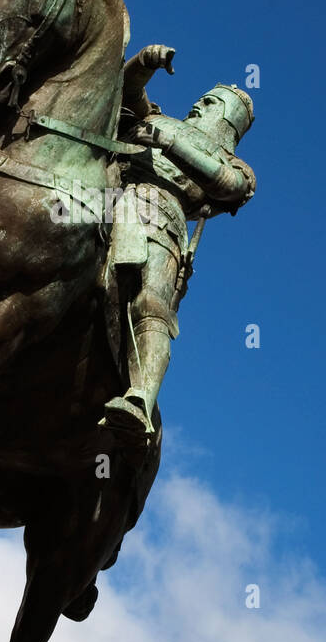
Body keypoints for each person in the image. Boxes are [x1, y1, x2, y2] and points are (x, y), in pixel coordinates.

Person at [101, 46, 256, 445]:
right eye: (204, 97)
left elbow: (227, 185)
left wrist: (169, 143)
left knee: (151, 303)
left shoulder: (234, 163)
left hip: (158, 215)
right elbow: (128, 92)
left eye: (213, 101)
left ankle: (139, 399)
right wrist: (143, 63)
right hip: (105, 190)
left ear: (231, 120)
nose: (201, 102)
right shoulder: (159, 117)